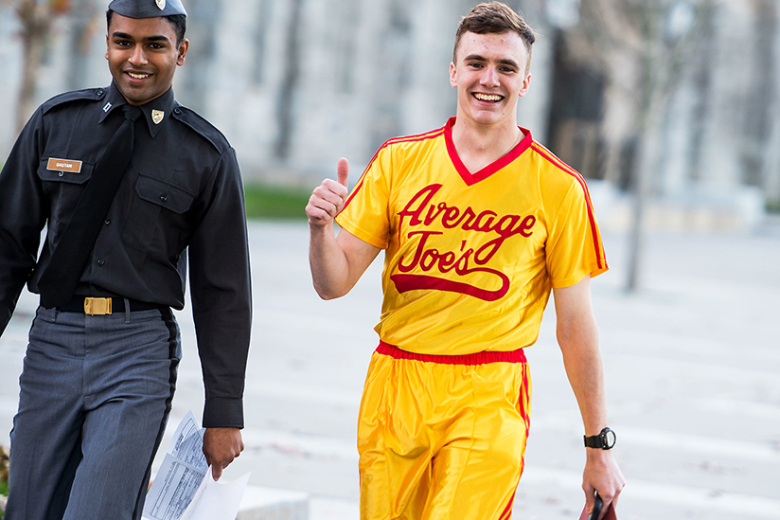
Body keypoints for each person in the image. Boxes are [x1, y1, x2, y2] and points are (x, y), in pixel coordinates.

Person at [305, 2, 625, 519]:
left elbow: (576, 329)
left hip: (489, 392)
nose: (489, 79)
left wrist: (598, 446)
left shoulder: (559, 188)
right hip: (396, 384)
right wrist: (321, 232)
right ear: (454, 70)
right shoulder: (399, 160)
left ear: (525, 82)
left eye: (506, 68)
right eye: (476, 63)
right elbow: (332, 283)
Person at [0, 0, 251, 518]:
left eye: (155, 45)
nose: (136, 57)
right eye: (124, 42)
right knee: (28, 509)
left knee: (99, 510)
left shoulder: (206, 154)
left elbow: (222, 291)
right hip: (53, 340)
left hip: (137, 352)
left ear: (180, 52)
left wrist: (224, 413)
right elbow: (7, 245)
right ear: (107, 44)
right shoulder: (56, 123)